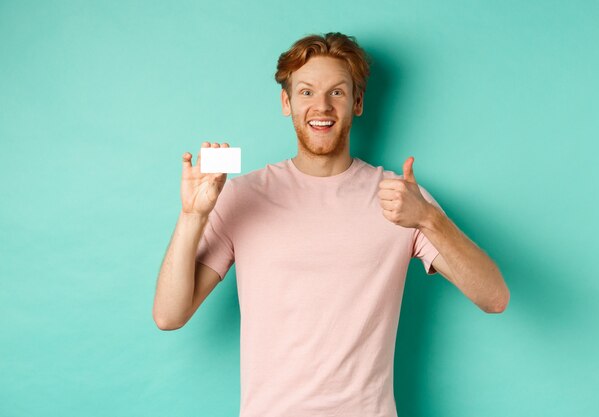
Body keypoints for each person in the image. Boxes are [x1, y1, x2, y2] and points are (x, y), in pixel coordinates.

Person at [153, 32, 510, 417]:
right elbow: (169, 316)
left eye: (336, 92)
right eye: (306, 92)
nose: (321, 106)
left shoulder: (401, 197)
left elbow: (494, 297)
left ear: (357, 103)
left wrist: (427, 218)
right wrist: (192, 216)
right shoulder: (242, 195)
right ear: (286, 102)